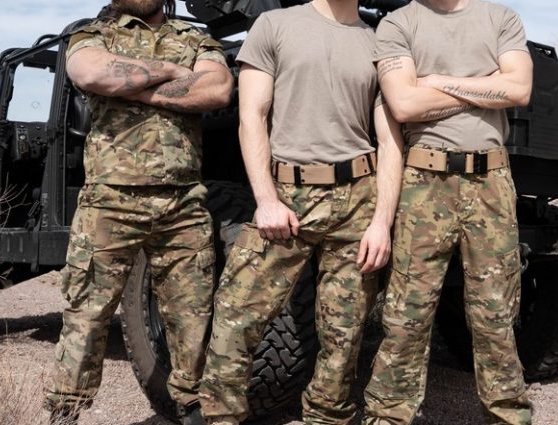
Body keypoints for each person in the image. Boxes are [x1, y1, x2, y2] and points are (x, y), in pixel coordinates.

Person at [198, 0, 405, 423]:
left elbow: (389, 142)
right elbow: (251, 116)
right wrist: (266, 200)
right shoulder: (275, 25)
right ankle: (220, 416)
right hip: (287, 196)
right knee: (237, 316)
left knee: (344, 333)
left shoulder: (378, 43)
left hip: (358, 200)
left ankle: (326, 417)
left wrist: (382, 222)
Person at [44, 0, 232, 423]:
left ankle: (191, 408)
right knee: (87, 315)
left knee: (193, 316)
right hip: (110, 200)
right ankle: (65, 411)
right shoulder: (92, 33)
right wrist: (173, 72)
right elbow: (92, 73)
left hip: (183, 202)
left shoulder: (195, 38)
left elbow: (218, 89)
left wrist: (134, 86)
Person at [362, 0, 534, 424]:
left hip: (491, 181)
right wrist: (484, 89)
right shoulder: (398, 24)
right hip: (424, 182)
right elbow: (405, 105)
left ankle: (507, 415)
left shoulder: (500, 18)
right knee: (407, 312)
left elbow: (520, 90)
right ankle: (388, 415)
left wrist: (437, 82)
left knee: (495, 312)